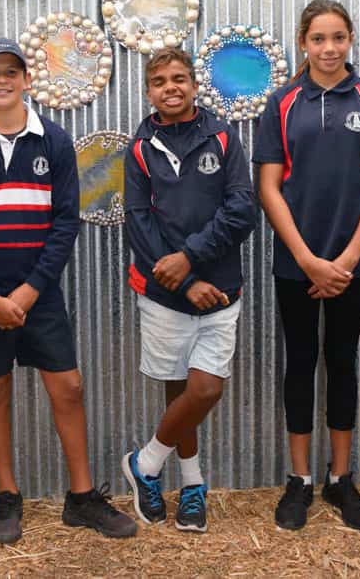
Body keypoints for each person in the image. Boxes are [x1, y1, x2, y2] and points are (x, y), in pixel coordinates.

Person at [0, 38, 136, 544]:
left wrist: (30, 291)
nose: (2, 80)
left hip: (39, 292)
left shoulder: (52, 140)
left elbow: (64, 223)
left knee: (68, 387)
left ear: (28, 80)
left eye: (12, 71)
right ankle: (7, 494)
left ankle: (82, 497)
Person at [253, 0, 360, 532]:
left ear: (350, 39)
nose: (329, 48)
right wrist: (306, 259)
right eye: (318, 38)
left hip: (351, 263)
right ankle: (299, 480)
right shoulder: (282, 102)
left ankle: (341, 479)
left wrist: (347, 259)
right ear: (303, 42)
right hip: (297, 262)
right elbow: (269, 187)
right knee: (299, 364)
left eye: (338, 37)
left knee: (342, 363)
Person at [118, 48, 255, 533]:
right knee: (178, 389)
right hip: (165, 292)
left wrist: (191, 260)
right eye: (159, 81)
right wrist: (183, 279)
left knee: (205, 388)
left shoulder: (223, 137)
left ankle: (146, 462)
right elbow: (138, 222)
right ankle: (192, 484)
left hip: (219, 291)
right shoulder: (139, 148)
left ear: (195, 86)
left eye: (179, 78)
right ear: (148, 92)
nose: (170, 87)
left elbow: (242, 209)